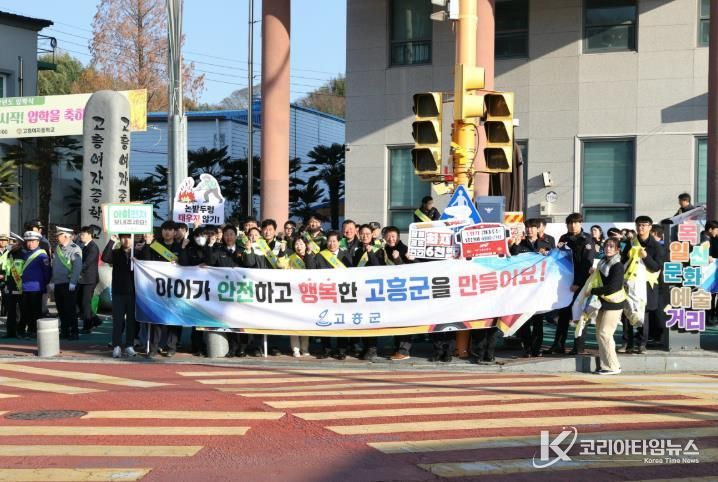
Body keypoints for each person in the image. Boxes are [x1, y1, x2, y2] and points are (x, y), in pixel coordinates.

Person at [547, 213, 594, 355]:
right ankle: (558, 345)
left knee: (579, 315)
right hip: (564, 282)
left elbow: (587, 264)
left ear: (581, 224)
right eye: (570, 223)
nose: (573, 226)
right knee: (563, 315)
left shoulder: (587, 240)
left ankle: (578, 346)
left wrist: (578, 283)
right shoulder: (564, 238)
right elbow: (558, 259)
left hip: (580, 283)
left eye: (576, 223)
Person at [307, 231, 353, 359]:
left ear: (339, 242)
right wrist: (309, 253)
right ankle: (326, 349)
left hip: (341, 293)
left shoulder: (346, 255)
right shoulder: (320, 255)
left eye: (334, 241)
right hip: (325, 293)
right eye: (329, 241)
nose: (331, 244)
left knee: (341, 321)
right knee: (325, 320)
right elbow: (311, 269)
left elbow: (352, 273)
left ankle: (342, 349)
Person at [510, 219, 553, 357]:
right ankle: (527, 348)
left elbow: (553, 262)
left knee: (538, 321)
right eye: (527, 227)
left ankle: (536, 348)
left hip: (539, 288)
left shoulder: (546, 244)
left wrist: (547, 255)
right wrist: (516, 244)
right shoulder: (520, 243)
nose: (529, 230)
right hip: (522, 289)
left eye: (532, 227)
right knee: (524, 321)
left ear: (538, 229)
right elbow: (511, 258)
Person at [142, 220, 183, 357]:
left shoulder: (180, 247)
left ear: (175, 232)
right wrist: (147, 245)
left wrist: (180, 261)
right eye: (165, 229)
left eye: (170, 230)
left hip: (175, 288)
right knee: (156, 317)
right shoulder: (155, 245)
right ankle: (154, 347)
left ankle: (171, 347)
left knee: (174, 317)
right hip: (157, 288)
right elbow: (146, 261)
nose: (167, 232)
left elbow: (186, 263)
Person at [625, 215, 665, 354]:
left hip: (647, 285)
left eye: (644, 225)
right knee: (627, 311)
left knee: (644, 314)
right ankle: (628, 343)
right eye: (638, 225)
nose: (640, 228)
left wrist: (646, 257)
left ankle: (642, 344)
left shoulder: (656, 246)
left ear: (650, 227)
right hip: (630, 283)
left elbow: (656, 267)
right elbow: (623, 261)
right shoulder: (631, 243)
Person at [591, 238, 626, 375]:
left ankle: (613, 366)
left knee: (605, 333)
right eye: (606, 246)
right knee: (600, 333)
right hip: (603, 302)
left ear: (617, 250)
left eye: (611, 246)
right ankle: (606, 364)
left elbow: (613, 287)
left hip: (614, 303)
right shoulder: (602, 263)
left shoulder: (617, 265)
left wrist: (594, 291)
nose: (608, 248)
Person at [382, 226, 416, 361]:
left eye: (393, 236)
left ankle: (404, 350)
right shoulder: (384, 250)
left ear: (398, 237)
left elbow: (412, 270)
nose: (391, 239)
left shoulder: (405, 249)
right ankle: (398, 348)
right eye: (388, 236)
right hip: (391, 291)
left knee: (405, 319)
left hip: (404, 291)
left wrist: (398, 259)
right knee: (396, 320)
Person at [102, 234, 137, 358]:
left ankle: (129, 345)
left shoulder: (137, 253)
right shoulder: (116, 253)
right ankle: (116, 345)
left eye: (129, 237)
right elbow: (105, 258)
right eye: (123, 237)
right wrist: (111, 241)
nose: (126, 240)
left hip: (133, 293)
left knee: (131, 321)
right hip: (118, 292)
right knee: (118, 320)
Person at [353, 224, 385, 361]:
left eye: (367, 233)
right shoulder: (356, 250)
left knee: (371, 319)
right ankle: (365, 346)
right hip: (360, 290)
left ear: (372, 235)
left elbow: (379, 268)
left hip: (372, 290)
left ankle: (372, 348)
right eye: (362, 233)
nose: (365, 236)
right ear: (358, 235)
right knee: (362, 319)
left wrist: (371, 253)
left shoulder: (379, 250)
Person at [180, 227, 212, 356]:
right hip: (194, 289)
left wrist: (209, 247)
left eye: (203, 235)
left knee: (208, 317)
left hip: (210, 289)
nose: (200, 238)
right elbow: (183, 262)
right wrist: (183, 247)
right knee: (196, 318)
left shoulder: (211, 247)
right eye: (197, 236)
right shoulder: (190, 249)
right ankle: (197, 346)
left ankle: (207, 345)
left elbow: (212, 261)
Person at [51, 227, 82, 341]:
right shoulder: (58, 248)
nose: (57, 238)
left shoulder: (75, 249)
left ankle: (74, 332)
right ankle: (65, 331)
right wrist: (52, 281)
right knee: (61, 309)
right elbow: (55, 266)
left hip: (68, 284)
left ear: (66, 236)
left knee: (70, 309)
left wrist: (73, 282)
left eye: (59, 235)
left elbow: (77, 267)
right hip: (58, 283)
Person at [18, 231, 51, 338]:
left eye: (32, 241)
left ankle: (36, 331)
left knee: (36, 311)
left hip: (36, 287)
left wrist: (44, 284)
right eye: (28, 241)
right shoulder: (26, 254)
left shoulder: (42, 255)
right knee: (26, 310)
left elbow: (47, 272)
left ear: (38, 242)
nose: (30, 244)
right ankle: (30, 329)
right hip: (25, 287)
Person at [287, 236, 312, 357]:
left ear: (306, 245)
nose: (299, 246)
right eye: (296, 244)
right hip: (294, 293)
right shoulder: (290, 258)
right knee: (293, 321)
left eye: (301, 243)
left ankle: (305, 348)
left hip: (308, 293)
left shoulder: (311, 255)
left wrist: (309, 254)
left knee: (306, 321)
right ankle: (295, 348)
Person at [78, 226, 100, 334]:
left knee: (85, 303)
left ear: (89, 235)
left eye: (83, 234)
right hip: (83, 279)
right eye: (80, 234)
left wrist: (75, 270)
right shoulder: (84, 246)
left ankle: (87, 326)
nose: (81, 236)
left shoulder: (93, 247)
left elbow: (86, 263)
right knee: (80, 301)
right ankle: (95, 320)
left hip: (89, 279)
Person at [2, 235, 24, 338]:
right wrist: (6, 284)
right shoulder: (9, 254)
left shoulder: (23, 254)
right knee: (10, 311)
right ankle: (10, 332)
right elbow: (7, 271)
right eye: (10, 242)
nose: (10, 244)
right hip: (10, 286)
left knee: (21, 311)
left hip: (20, 286)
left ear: (19, 244)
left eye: (13, 242)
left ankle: (19, 331)